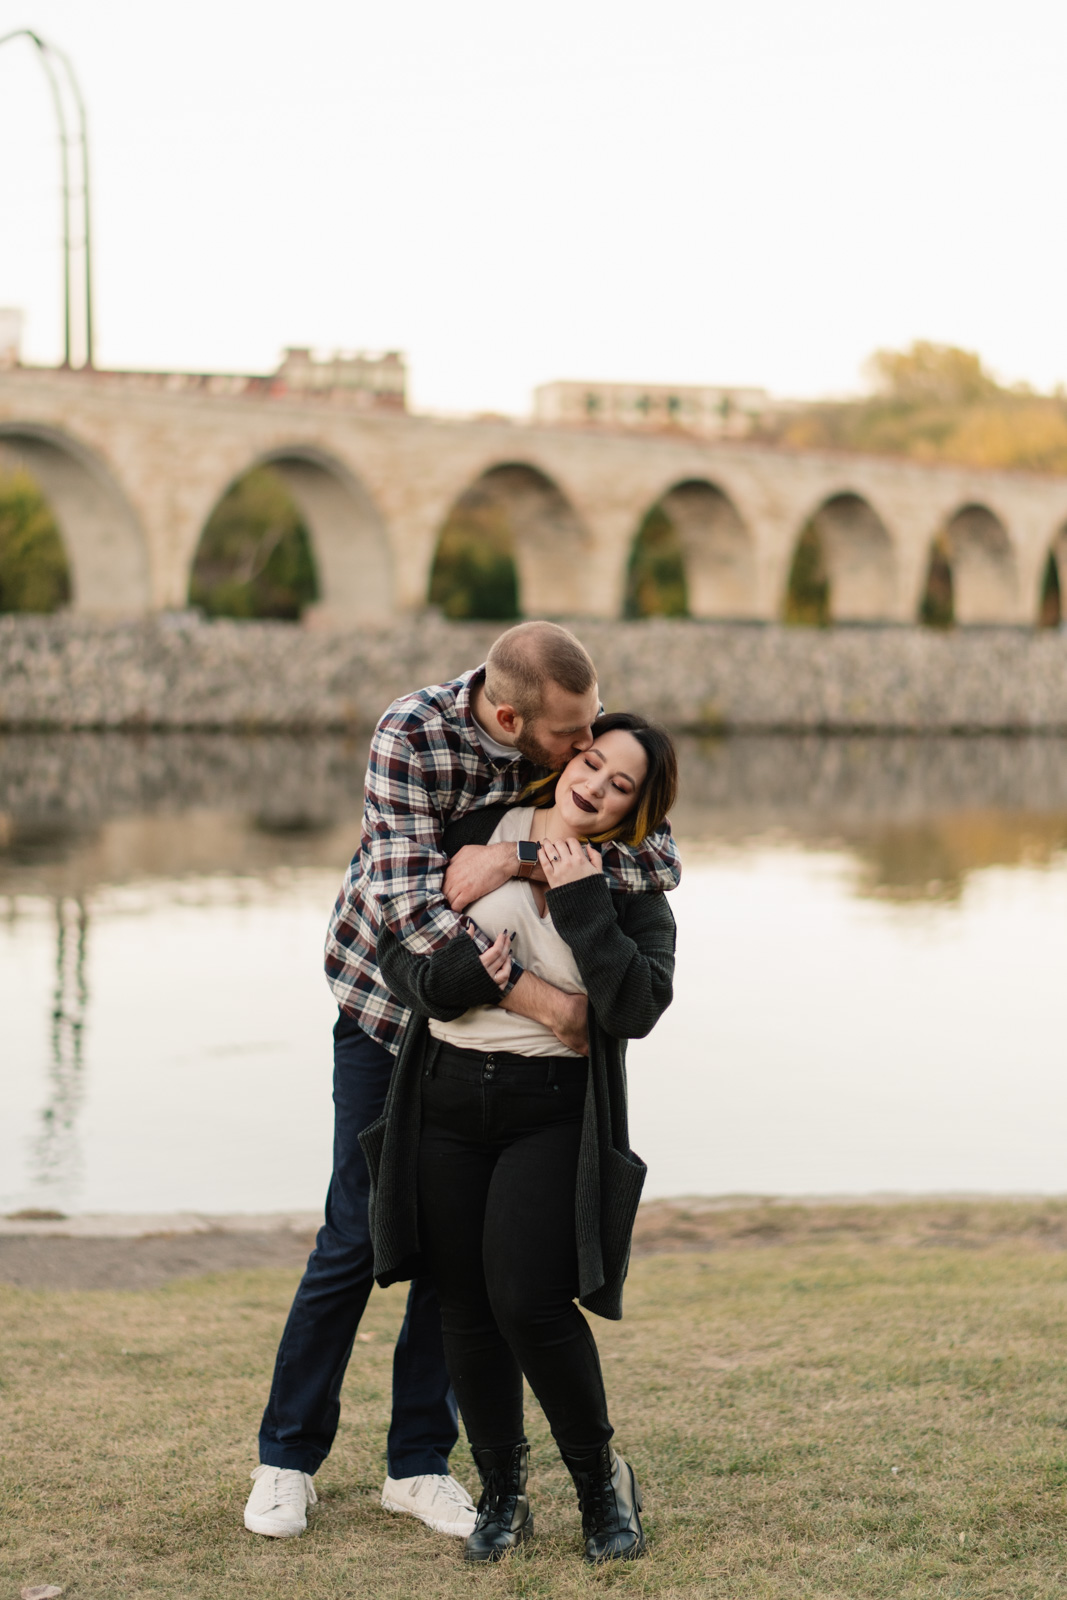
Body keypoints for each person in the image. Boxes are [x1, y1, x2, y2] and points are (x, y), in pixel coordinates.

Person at [243, 624, 681, 1539]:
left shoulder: (565, 759)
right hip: (390, 1016)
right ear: (516, 719)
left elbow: (654, 860)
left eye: (596, 734)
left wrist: (521, 859)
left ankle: (418, 1464)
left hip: (505, 1072)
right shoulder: (413, 734)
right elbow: (403, 904)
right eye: (574, 740)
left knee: (464, 1270)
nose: (585, 753)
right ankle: (287, 1457)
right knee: (358, 1233)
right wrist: (546, 1005)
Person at [363, 712, 678, 1565]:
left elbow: (635, 1009)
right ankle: (502, 1492)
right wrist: (471, 977)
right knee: (462, 1304)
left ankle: (598, 1485)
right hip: (448, 1096)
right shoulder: (475, 832)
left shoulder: (631, 887)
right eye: (591, 761)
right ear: (564, 756)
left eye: (621, 785)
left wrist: (579, 900)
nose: (596, 785)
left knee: (528, 1301)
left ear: (634, 811)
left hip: (551, 1108)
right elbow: (400, 945)